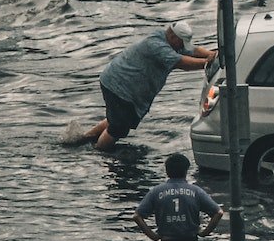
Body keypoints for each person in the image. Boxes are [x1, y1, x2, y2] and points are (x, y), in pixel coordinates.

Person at [83, 21, 217, 151]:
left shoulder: (167, 39)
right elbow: (182, 63)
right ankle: (100, 152)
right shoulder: (157, 46)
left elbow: (191, 50)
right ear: (172, 36)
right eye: (181, 43)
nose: (182, 47)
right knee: (119, 127)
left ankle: (86, 138)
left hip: (119, 83)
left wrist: (211, 54)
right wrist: (207, 63)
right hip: (119, 86)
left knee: (119, 117)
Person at [133, 153, 224, 241]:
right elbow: (218, 213)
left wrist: (152, 235)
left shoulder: (156, 191)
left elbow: (137, 216)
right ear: (186, 171)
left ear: (167, 171)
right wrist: (205, 232)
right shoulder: (195, 191)